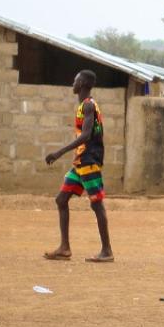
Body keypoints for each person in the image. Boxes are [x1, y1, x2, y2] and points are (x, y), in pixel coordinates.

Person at [44, 70, 114, 263]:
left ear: (82, 83)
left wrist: (59, 152)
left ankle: (107, 251)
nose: (72, 82)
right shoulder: (84, 106)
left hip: (89, 161)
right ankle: (64, 248)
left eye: (75, 80)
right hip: (81, 162)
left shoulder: (89, 105)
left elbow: (86, 135)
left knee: (97, 204)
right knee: (61, 199)